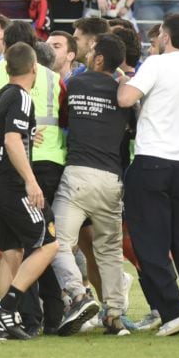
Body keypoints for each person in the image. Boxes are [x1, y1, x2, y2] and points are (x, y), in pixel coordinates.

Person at [117, 13, 179, 337]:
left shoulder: (157, 64)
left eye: (159, 33)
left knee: (149, 243)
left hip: (150, 162)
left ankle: (175, 311)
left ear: (166, 36)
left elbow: (125, 99)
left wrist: (122, 81)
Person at [50, 34, 133, 336]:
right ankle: (114, 315)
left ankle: (79, 295)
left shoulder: (77, 84)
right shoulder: (123, 92)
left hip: (77, 177)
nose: (87, 54)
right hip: (112, 180)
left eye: (92, 52)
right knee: (110, 251)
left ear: (98, 60)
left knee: (57, 243)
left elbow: (62, 118)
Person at [0, 42, 61, 339]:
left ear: (6, 68)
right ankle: (7, 305)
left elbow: (9, 135)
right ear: (34, 68)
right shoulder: (23, 97)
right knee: (50, 242)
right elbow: (11, 141)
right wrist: (31, 180)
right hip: (12, 185)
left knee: (10, 253)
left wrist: (28, 135)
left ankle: (6, 325)